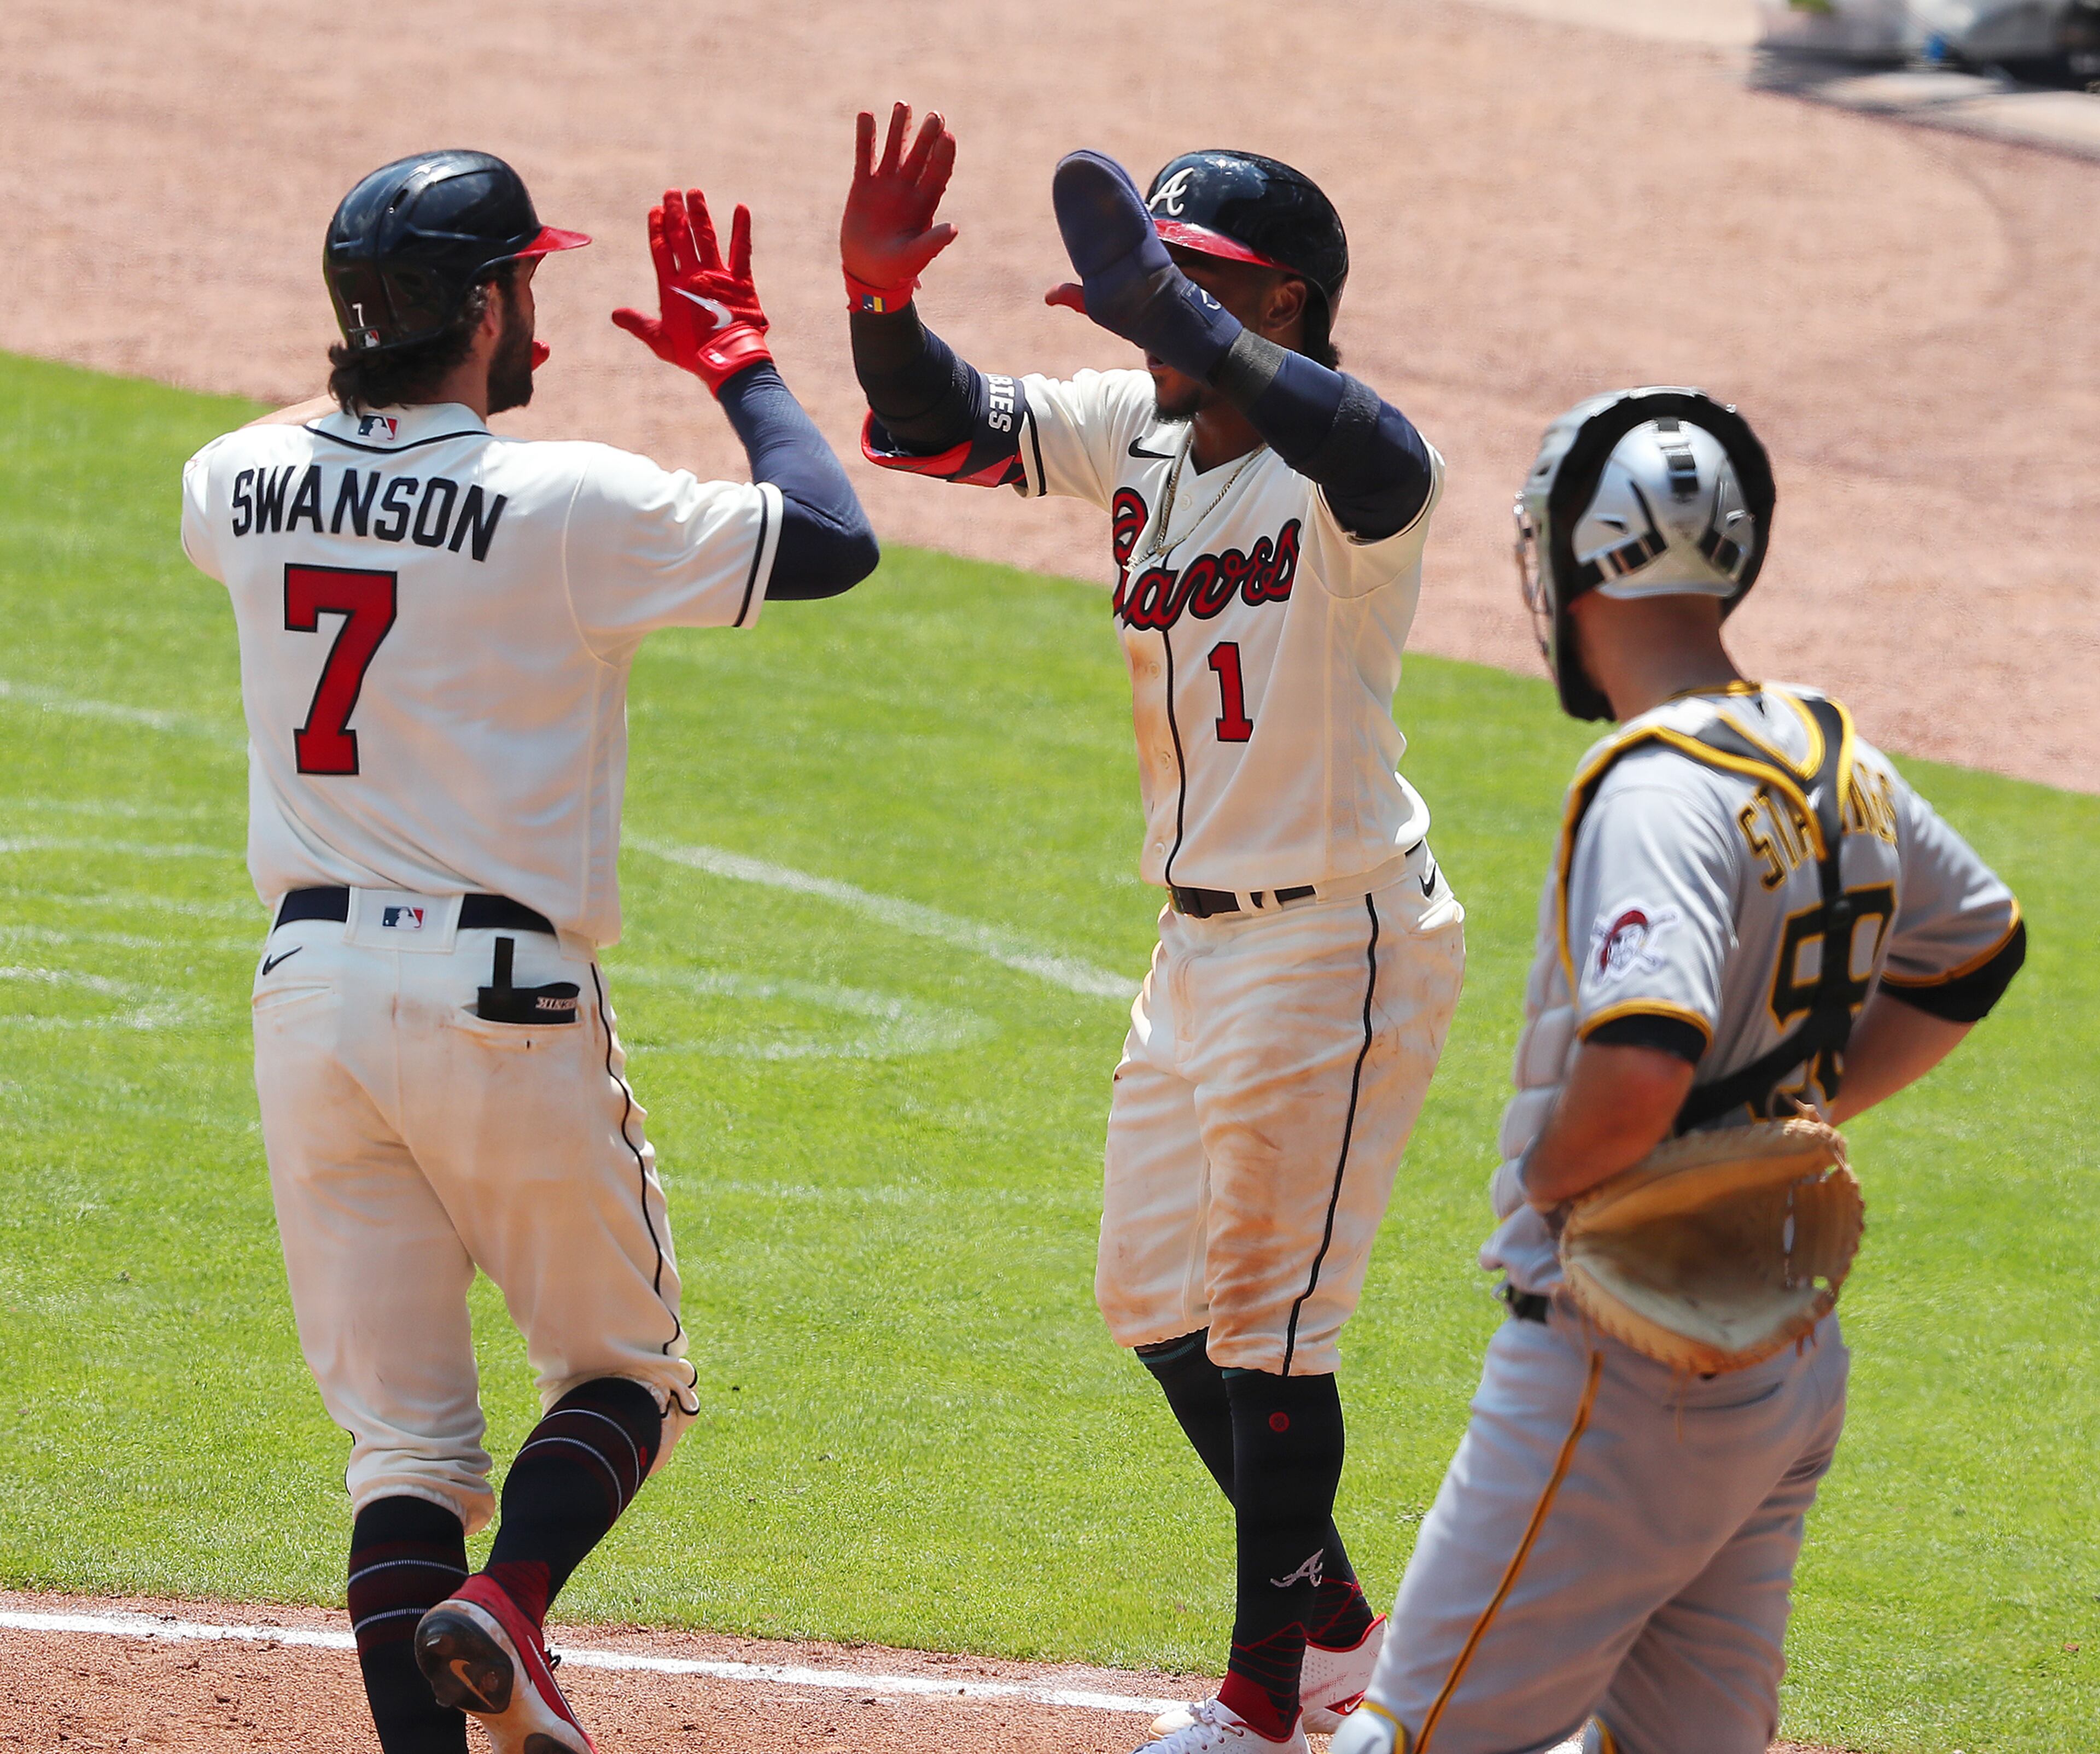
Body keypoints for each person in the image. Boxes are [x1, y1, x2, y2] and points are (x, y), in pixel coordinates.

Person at [177, 150, 877, 1754]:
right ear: (487, 305)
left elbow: (321, 470)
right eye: (528, 283)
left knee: (405, 1450)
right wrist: (740, 365)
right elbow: (828, 536)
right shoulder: (566, 503)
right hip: (503, 995)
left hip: (312, 1003)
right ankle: (511, 1604)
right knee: (626, 1379)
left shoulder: (234, 479)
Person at [840, 105, 1467, 1753]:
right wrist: (881, 303)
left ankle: (1270, 1703)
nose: (1144, 311)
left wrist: (1169, 314)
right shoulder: (1144, 432)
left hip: (1335, 941)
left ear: (1278, 309)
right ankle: (1331, 1616)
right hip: (1198, 948)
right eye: (1142, 277)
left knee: (1270, 1334)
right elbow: (941, 430)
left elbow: (1389, 455)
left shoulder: (1353, 483)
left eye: (1186, 286)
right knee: (1153, 1304)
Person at [1332, 389, 2026, 1754]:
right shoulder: (1837, 754)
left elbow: (1646, 1054)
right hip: (1780, 1355)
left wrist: (1554, 1170)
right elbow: (1979, 945)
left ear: (1583, 558)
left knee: (1407, 1739)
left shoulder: (1653, 786)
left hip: (1616, 1359)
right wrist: (1806, 1111)